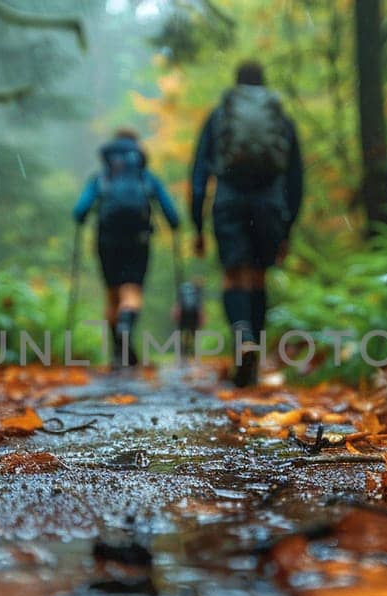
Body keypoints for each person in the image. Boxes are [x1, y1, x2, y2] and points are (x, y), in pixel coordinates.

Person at [189, 61, 305, 387]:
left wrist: (197, 224)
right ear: (263, 83)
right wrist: (288, 227)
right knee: (257, 276)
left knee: (234, 275)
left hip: (229, 200)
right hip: (270, 204)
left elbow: (199, 175)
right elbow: (296, 179)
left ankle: (243, 335)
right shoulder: (281, 119)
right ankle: (253, 355)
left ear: (236, 83)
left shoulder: (219, 116)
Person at [72, 128, 183, 367]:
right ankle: (126, 324)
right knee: (131, 290)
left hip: (107, 240)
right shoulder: (145, 177)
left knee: (113, 294)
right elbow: (171, 213)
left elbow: (79, 210)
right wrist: (174, 225)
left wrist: (83, 218)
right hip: (138, 240)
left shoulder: (102, 177)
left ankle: (117, 351)